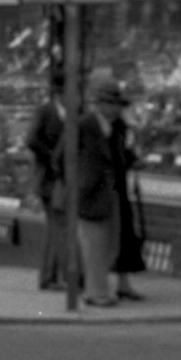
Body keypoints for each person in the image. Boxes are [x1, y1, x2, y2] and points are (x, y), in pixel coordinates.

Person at [76, 75, 124, 307]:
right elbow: (61, 156)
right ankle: (97, 293)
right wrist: (80, 183)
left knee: (107, 245)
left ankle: (96, 290)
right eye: (113, 104)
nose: (117, 109)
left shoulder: (113, 128)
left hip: (108, 192)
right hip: (90, 194)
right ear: (101, 104)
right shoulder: (85, 125)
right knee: (93, 245)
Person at [24, 70, 69, 292]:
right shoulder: (45, 111)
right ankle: (49, 277)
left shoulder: (72, 113)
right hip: (47, 179)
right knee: (56, 226)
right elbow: (30, 139)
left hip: (63, 180)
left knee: (58, 227)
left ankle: (53, 276)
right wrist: (50, 157)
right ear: (58, 93)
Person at [108, 91, 147, 301]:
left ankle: (122, 283)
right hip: (109, 188)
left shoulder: (120, 127)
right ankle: (103, 284)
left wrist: (132, 160)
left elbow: (125, 151)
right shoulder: (106, 127)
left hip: (120, 187)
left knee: (123, 235)